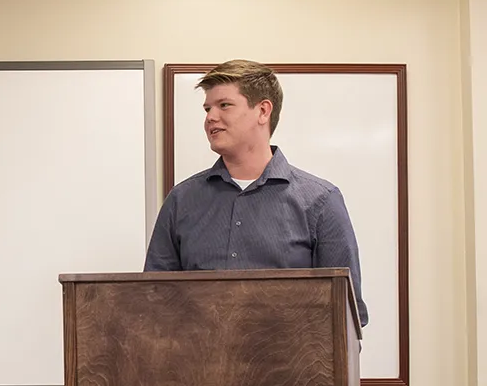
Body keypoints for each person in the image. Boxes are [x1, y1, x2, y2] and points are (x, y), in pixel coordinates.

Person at [144, 59, 369, 326]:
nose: (210, 118)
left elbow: (346, 315)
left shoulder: (320, 201)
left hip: (289, 365)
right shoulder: (181, 201)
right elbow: (153, 302)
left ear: (263, 111)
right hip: (198, 365)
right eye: (207, 108)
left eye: (224, 105)